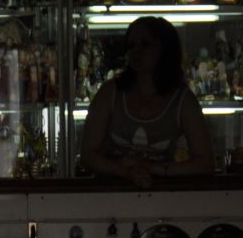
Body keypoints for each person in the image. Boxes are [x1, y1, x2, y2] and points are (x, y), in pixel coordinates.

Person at [80, 15, 217, 186]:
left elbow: (205, 163)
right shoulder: (110, 93)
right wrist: (127, 172)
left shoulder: (183, 100)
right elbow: (87, 155)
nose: (136, 51)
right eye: (131, 46)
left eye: (146, 44)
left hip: (162, 196)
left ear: (164, 50)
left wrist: (153, 169)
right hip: (110, 194)